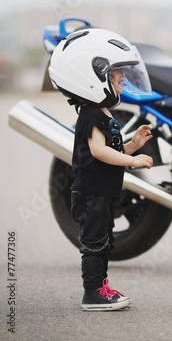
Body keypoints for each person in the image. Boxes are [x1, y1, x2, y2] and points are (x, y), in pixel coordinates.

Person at [49, 28, 154, 311]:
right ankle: (92, 293)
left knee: (104, 241)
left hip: (102, 193)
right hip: (91, 194)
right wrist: (133, 162)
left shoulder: (102, 112)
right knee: (95, 244)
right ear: (93, 76)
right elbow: (98, 151)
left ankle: (101, 287)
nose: (122, 76)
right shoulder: (91, 114)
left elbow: (112, 152)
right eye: (116, 71)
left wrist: (133, 145)